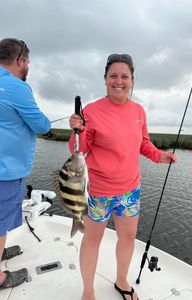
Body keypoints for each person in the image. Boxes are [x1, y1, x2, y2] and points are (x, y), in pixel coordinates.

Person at [68, 54, 176, 300]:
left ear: (132, 81)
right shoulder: (91, 110)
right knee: (92, 240)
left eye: (124, 76)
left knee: (127, 237)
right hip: (97, 191)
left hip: (129, 190)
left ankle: (121, 280)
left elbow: (144, 144)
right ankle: (88, 291)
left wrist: (160, 156)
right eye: (113, 76)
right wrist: (78, 129)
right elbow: (78, 151)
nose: (119, 81)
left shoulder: (138, 111)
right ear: (105, 80)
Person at [0, 38, 51, 289]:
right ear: (20, 60)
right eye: (27, 61)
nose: (28, 65)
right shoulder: (16, 86)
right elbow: (41, 125)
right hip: (4, 173)